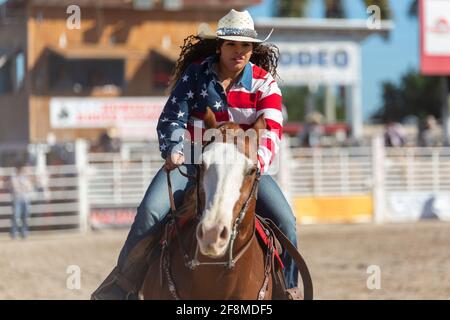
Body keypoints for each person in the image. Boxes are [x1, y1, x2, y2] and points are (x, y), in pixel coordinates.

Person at [92, 9, 298, 299]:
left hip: (243, 169)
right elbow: (172, 118)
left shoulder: (265, 84)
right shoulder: (196, 75)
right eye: (231, 44)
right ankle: (121, 286)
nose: (238, 52)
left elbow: (272, 131)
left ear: (253, 49)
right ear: (220, 46)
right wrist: (174, 150)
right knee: (150, 212)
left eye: (245, 46)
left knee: (286, 221)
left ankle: (289, 289)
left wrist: (253, 164)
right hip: (191, 161)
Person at [7, 162, 34, 239]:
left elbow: (29, 187)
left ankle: (24, 233)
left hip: (25, 198)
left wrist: (23, 188)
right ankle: (14, 233)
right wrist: (24, 188)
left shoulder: (25, 177)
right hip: (17, 198)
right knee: (16, 216)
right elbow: (16, 188)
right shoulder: (14, 176)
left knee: (25, 217)